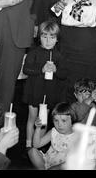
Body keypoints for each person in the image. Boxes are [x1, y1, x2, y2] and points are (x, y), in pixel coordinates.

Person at [23, 20, 67, 148]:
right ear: (39, 37)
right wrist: (40, 69)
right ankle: (28, 144)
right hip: (34, 89)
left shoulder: (58, 56)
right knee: (32, 118)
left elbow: (64, 74)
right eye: (44, 37)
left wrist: (56, 70)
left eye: (52, 37)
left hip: (49, 91)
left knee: (43, 119)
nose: (48, 41)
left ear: (57, 39)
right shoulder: (34, 53)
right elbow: (26, 69)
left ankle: (38, 143)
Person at [28, 102, 76, 170]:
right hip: (47, 162)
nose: (59, 124)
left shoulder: (77, 136)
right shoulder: (54, 131)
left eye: (64, 120)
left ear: (72, 120)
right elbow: (36, 145)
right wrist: (38, 128)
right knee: (32, 151)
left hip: (62, 166)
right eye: (56, 120)